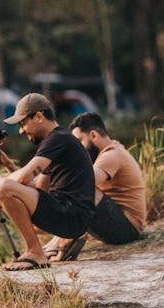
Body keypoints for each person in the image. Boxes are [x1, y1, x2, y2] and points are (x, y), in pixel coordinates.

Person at [0, 92, 96, 271]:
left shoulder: (57, 139)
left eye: (23, 123)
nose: (21, 130)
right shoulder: (58, 140)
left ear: (39, 117)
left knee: (3, 187)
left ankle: (35, 252)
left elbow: (24, 179)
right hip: (73, 218)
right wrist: (8, 165)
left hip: (71, 215)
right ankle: (43, 247)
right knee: (13, 199)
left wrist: (1, 184)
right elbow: (38, 188)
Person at [43, 112, 146, 262]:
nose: (78, 147)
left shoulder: (112, 155)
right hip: (120, 225)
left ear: (94, 135)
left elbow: (82, 182)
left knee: (83, 188)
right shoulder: (107, 153)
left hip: (128, 229)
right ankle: (63, 238)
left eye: (79, 141)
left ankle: (61, 240)